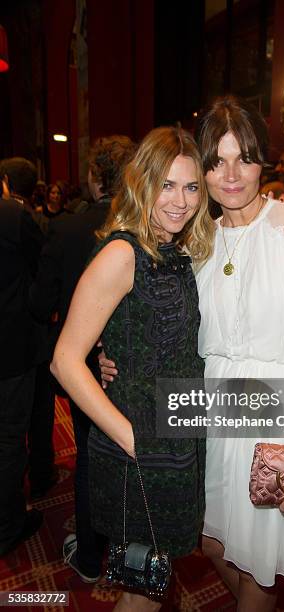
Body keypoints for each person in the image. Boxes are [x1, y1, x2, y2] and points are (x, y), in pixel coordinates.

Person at [101, 96, 284, 610]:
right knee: (206, 541)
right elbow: (158, 321)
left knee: (258, 571)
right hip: (206, 417)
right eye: (216, 161)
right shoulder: (194, 240)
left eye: (245, 158)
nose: (231, 175)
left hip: (276, 416)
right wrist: (111, 352)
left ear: (263, 162)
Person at [51, 126, 214, 611]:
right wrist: (129, 435)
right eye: (167, 185)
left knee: (156, 580)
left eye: (190, 187)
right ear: (142, 182)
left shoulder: (176, 250)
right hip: (138, 450)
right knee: (141, 593)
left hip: (176, 442)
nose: (180, 201)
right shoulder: (123, 253)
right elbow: (64, 361)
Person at [29, 135, 136, 581]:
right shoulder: (146, 228)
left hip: (82, 363)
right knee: (126, 452)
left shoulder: (69, 228)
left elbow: (40, 302)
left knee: (92, 452)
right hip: (132, 363)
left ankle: (92, 555)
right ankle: (123, 545)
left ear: (96, 177)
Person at [0, 157, 44, 556]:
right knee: (11, 437)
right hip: (12, 346)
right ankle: (9, 524)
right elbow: (40, 266)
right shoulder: (13, 216)